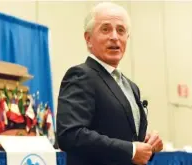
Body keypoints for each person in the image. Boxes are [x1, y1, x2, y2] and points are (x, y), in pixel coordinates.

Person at [56, 2, 163, 165]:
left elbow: (130, 142)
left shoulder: (131, 86)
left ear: (127, 38)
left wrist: (149, 145)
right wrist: (131, 150)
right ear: (88, 39)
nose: (114, 37)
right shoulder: (80, 75)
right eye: (105, 29)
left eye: (121, 30)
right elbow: (70, 135)